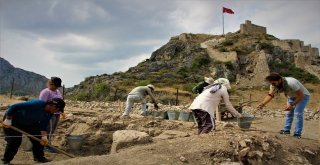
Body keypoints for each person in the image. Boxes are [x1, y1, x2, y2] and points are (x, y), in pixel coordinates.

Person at [1, 98, 65, 164]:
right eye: (58, 109)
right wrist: (8, 119)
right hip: (13, 120)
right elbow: (14, 107)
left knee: (39, 139)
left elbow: (43, 126)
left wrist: (44, 137)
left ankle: (39, 157)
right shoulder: (37, 104)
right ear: (54, 106)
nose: (57, 111)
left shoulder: (49, 113)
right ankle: (6, 161)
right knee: (15, 141)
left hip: (29, 123)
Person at [256, 72, 310, 139]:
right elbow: (270, 95)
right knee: (289, 113)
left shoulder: (291, 83)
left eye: (273, 83)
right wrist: (262, 104)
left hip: (303, 96)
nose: (272, 85)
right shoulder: (273, 86)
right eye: (271, 83)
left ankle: (297, 133)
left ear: (279, 80)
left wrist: (291, 105)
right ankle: (286, 130)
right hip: (291, 96)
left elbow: (301, 96)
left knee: (298, 113)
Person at [39, 77, 63, 152]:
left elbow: (60, 102)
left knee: (52, 129)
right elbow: (41, 104)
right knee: (48, 129)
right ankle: (45, 146)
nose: (56, 87)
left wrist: (62, 112)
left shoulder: (57, 91)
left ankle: (48, 143)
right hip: (49, 114)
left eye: (57, 86)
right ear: (51, 84)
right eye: (55, 86)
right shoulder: (46, 92)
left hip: (57, 113)